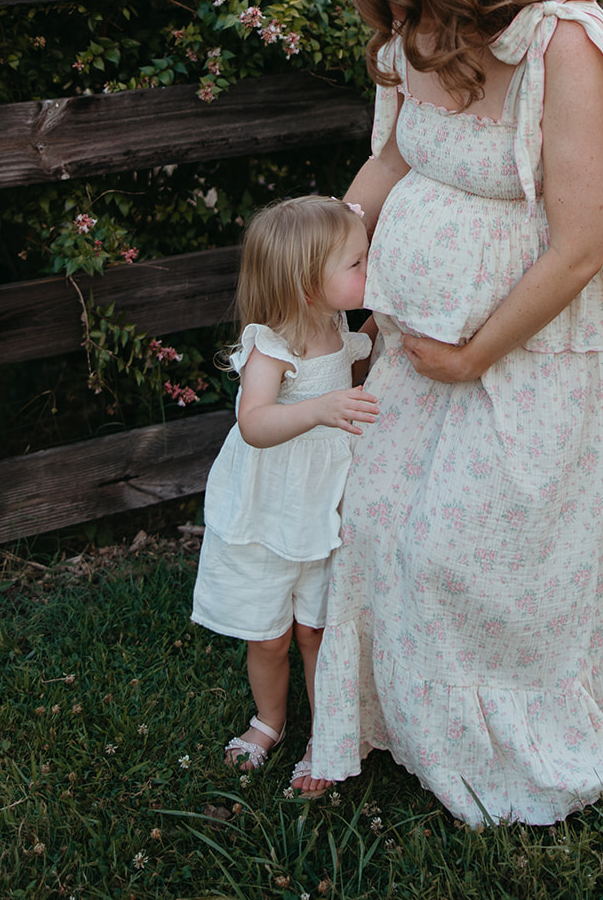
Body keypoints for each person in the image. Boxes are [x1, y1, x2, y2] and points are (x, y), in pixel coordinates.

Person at [309, 0, 603, 826]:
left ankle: (515, 722)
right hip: (415, 345)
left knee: (461, 550)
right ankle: (414, 714)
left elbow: (575, 249)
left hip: (533, 351)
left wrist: (473, 351)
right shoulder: (416, 36)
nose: (387, 26)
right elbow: (395, 153)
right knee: (378, 524)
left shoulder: (563, 42)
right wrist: (332, 250)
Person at [191, 195, 379, 798]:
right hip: (269, 510)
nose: (369, 271)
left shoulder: (334, 321)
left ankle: (329, 733)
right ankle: (269, 720)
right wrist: (320, 409)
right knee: (269, 635)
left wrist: (389, 327)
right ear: (306, 284)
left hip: (320, 505)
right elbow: (255, 423)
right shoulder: (271, 346)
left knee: (316, 629)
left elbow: (361, 352)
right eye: (358, 264)